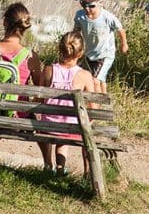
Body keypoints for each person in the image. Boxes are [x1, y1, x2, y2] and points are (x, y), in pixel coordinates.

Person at [0, 2, 45, 165]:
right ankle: (49, 164)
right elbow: (41, 89)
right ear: (25, 27)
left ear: (4, 23)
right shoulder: (30, 56)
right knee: (37, 117)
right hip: (18, 118)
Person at [34, 30, 102, 176]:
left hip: (48, 126)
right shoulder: (84, 76)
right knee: (82, 126)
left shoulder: (48, 70)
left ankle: (48, 165)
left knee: (52, 122)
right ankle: (68, 169)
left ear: (60, 48)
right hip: (72, 129)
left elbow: (38, 101)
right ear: (81, 52)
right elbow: (93, 109)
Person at [73, 0, 127, 86]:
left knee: (94, 81)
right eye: (83, 4)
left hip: (105, 54)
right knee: (101, 81)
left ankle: (95, 102)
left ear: (100, 2)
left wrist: (124, 44)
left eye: (91, 5)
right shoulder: (80, 16)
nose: (87, 8)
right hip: (90, 53)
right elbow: (76, 31)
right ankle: (104, 100)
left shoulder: (107, 17)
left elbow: (120, 29)